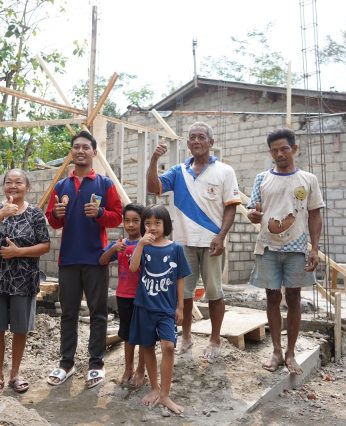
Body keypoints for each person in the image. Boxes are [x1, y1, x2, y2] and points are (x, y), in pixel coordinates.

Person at [147, 121, 241, 361]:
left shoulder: (225, 171)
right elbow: (153, 187)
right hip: (183, 243)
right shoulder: (179, 171)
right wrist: (154, 161)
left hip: (212, 243)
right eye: (192, 137)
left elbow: (231, 207)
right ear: (188, 143)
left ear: (211, 142)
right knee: (184, 294)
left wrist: (221, 237)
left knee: (214, 293)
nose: (196, 141)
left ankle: (215, 339)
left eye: (201, 137)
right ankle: (186, 337)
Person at [45, 130, 123, 388]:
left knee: (98, 313)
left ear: (93, 151)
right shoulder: (61, 186)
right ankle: (66, 364)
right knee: (68, 314)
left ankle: (96, 364)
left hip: (96, 259)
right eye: (76, 147)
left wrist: (100, 212)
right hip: (68, 259)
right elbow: (53, 222)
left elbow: (118, 216)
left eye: (85, 147)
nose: (80, 151)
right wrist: (56, 213)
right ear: (72, 152)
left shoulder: (105, 184)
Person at [246, 128, 324, 375]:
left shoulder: (308, 179)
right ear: (270, 153)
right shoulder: (262, 178)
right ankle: (276, 351)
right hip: (268, 246)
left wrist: (315, 248)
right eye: (274, 150)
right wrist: (253, 214)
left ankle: (291, 353)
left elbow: (314, 214)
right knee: (271, 298)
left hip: (297, 249)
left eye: (284, 149)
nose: (279, 154)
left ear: (294, 149)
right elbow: (252, 211)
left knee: (294, 299)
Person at [0, 169, 51, 395]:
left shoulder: (35, 213)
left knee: (20, 329)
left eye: (18, 183)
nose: (13, 186)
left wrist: (19, 252)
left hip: (23, 279)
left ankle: (15, 374)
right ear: (3, 187)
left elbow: (45, 245)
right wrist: (0, 215)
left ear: (27, 187)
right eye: (9, 182)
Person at [128, 205, 191, 415]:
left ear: (166, 225)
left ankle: (165, 395)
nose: (152, 227)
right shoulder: (143, 245)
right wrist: (140, 245)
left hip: (166, 308)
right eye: (148, 224)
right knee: (146, 346)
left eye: (157, 223)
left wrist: (180, 307)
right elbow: (133, 268)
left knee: (168, 347)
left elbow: (180, 279)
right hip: (144, 306)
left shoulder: (176, 249)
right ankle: (154, 388)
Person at [99, 202, 146, 388]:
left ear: (142, 223)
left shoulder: (146, 245)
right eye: (127, 221)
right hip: (123, 296)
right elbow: (102, 260)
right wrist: (113, 249)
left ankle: (141, 370)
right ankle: (128, 368)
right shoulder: (120, 244)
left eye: (136, 221)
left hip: (143, 298)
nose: (131, 225)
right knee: (127, 335)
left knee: (143, 335)